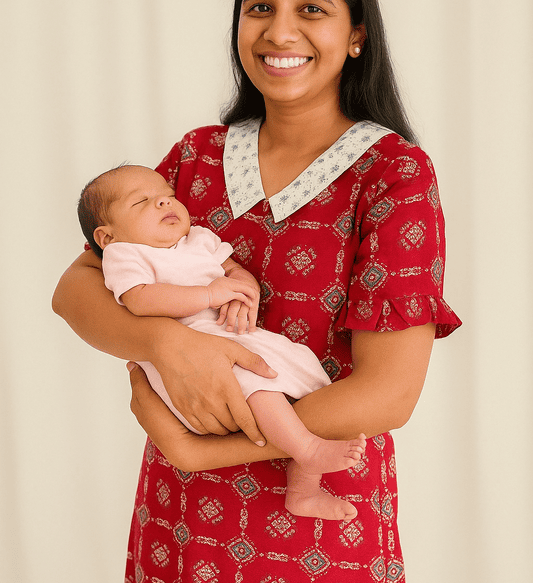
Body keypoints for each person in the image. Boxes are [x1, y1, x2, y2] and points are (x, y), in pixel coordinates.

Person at [53, 0, 461, 583]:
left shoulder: (393, 176)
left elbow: (387, 395)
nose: (280, 31)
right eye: (259, 6)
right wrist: (166, 344)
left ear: (356, 33)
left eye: (311, 8)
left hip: (311, 507)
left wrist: (198, 446)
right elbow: (77, 289)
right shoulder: (196, 159)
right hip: (185, 520)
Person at [78, 163, 367, 520]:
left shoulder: (199, 239)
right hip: (189, 351)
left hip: (234, 335)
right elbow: (139, 299)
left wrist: (243, 286)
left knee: (307, 372)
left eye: (168, 196)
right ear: (106, 237)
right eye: (142, 202)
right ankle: (306, 448)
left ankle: (303, 489)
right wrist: (209, 294)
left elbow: (233, 270)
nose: (164, 204)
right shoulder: (125, 254)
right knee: (258, 387)